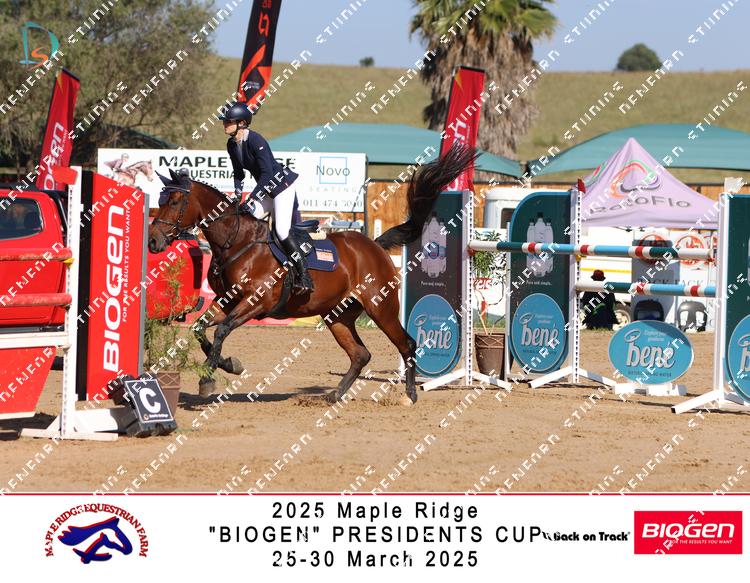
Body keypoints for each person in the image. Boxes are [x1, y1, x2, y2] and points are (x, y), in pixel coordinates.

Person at [219, 101, 313, 294]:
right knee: (245, 222)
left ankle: (304, 275)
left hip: (281, 187)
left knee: (281, 231)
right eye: (225, 121)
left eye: (228, 121)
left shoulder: (256, 140)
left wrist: (252, 198)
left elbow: (267, 174)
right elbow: (238, 173)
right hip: (267, 191)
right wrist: (238, 195)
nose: (224, 124)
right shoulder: (232, 144)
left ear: (242, 123)